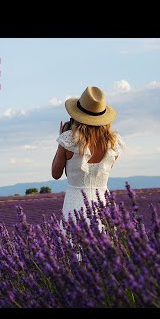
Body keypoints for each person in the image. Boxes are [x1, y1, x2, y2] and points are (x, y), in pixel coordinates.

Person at [51, 86, 126, 231]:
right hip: (104, 204)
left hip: (75, 205)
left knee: (72, 249)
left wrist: (62, 138)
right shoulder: (114, 143)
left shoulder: (69, 139)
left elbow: (56, 174)